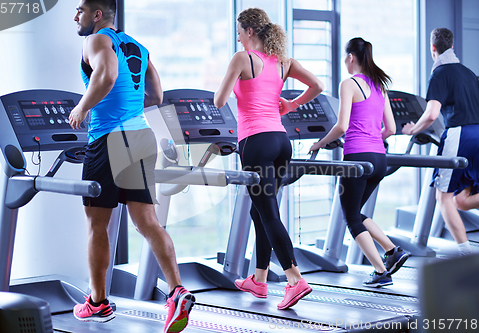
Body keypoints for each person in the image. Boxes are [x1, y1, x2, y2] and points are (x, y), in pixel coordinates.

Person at [70, 1, 194, 332]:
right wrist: (127, 105)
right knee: (148, 221)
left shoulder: (95, 40)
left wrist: (83, 108)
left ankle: (97, 303)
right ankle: (177, 291)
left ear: (97, 15)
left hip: (108, 139)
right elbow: (156, 94)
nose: (75, 16)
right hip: (140, 137)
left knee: (98, 224)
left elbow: (107, 75)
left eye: (80, 9)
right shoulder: (138, 46)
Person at [214, 8, 323, 309]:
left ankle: (294, 278)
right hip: (280, 141)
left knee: (269, 212)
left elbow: (219, 101)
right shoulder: (283, 62)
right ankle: (259, 280)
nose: (237, 37)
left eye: (239, 31)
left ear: (250, 31)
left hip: (255, 142)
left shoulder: (242, 59)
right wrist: (291, 105)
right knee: (260, 211)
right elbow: (318, 86)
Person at [309, 37, 409, 287]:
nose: (345, 62)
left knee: (351, 217)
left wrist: (319, 144)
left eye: (345, 58)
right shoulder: (380, 86)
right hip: (378, 159)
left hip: (357, 158)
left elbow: (341, 126)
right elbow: (392, 128)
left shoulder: (349, 84)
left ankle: (380, 271)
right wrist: (374, 138)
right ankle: (391, 251)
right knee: (357, 212)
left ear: (351, 57)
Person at [402, 28, 479, 256]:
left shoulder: (440, 73)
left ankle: (466, 255)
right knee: (462, 200)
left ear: (432, 48)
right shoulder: (468, 73)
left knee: (443, 197)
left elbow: (433, 113)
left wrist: (412, 129)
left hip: (459, 134)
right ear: (452, 46)